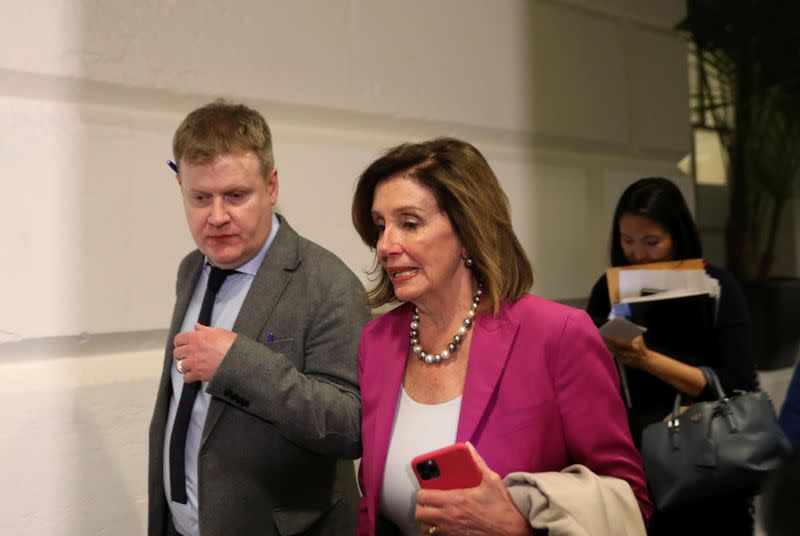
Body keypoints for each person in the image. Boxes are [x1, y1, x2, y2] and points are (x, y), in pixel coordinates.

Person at [352, 137, 652, 535]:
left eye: (409, 223)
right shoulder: (377, 342)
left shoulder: (557, 335)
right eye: (380, 226)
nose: (386, 245)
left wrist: (517, 527)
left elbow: (628, 503)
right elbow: (372, 508)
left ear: (466, 230)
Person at [148, 100, 371, 536]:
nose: (216, 217)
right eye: (199, 197)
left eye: (235, 195)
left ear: (271, 186)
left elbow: (350, 425)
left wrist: (238, 365)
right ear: (180, 187)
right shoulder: (191, 268)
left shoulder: (329, 283)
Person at [586, 177, 759, 535]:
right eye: (627, 240)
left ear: (677, 236)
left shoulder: (717, 286)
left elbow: (739, 382)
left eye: (652, 242)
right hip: (641, 461)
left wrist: (646, 359)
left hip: (713, 457)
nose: (637, 253)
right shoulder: (608, 288)